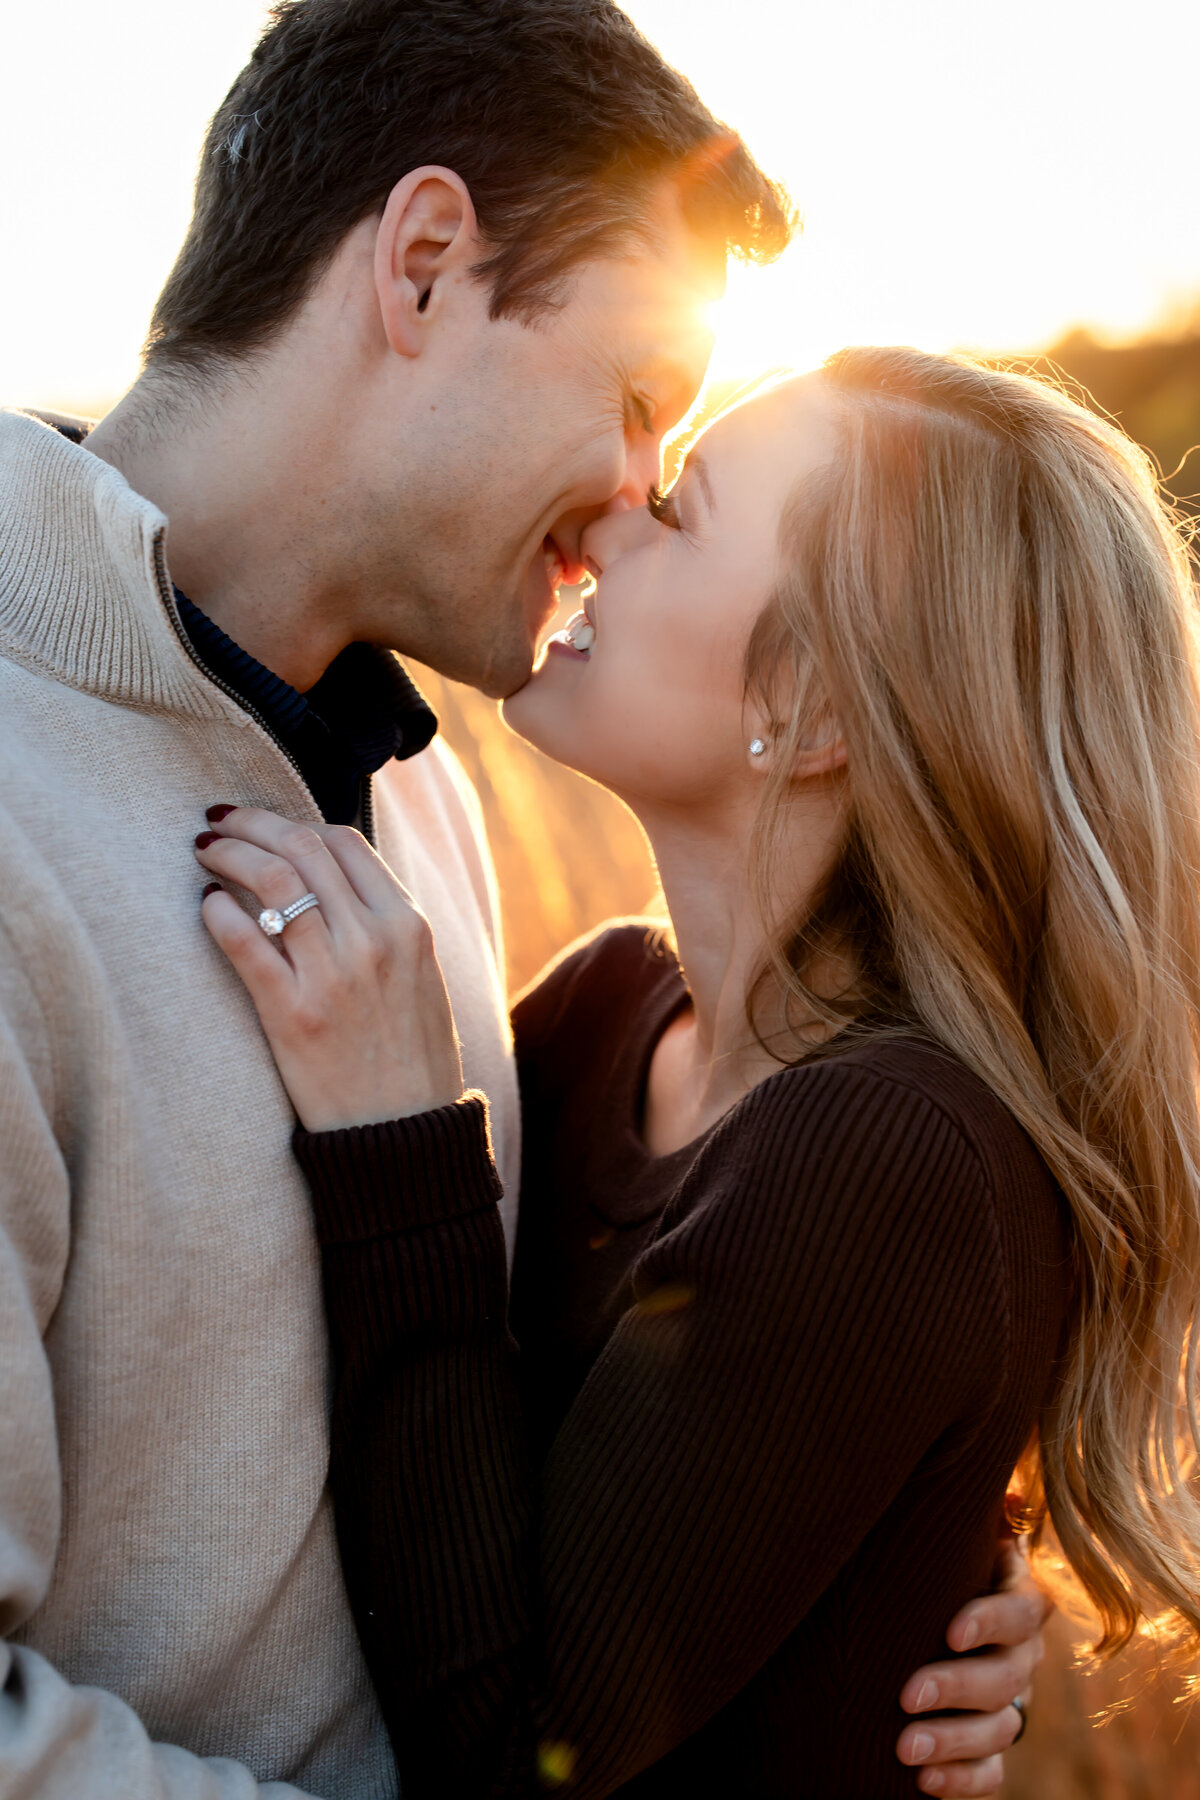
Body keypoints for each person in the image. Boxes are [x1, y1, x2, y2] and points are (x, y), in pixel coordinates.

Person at [0, 3, 1042, 1796]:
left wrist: (868, 1556)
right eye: (639, 406)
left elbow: (564, 1403)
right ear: (422, 267)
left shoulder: (422, 794)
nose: (635, 496)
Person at [196, 347, 1200, 1798]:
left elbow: (507, 1759)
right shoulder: (608, 1013)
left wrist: (399, 1135)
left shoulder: (894, 1157)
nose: (605, 523)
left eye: (684, 513)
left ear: (812, 708)